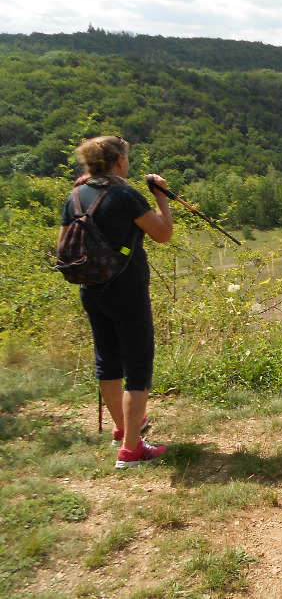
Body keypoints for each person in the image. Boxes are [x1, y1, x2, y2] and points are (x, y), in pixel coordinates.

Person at [59, 135, 173, 468]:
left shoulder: (75, 196)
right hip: (126, 289)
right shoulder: (125, 195)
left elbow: (65, 243)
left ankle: (124, 428)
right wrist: (161, 195)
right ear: (118, 160)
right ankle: (132, 450)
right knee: (137, 366)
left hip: (91, 287)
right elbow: (163, 233)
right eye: (126, 156)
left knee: (107, 362)